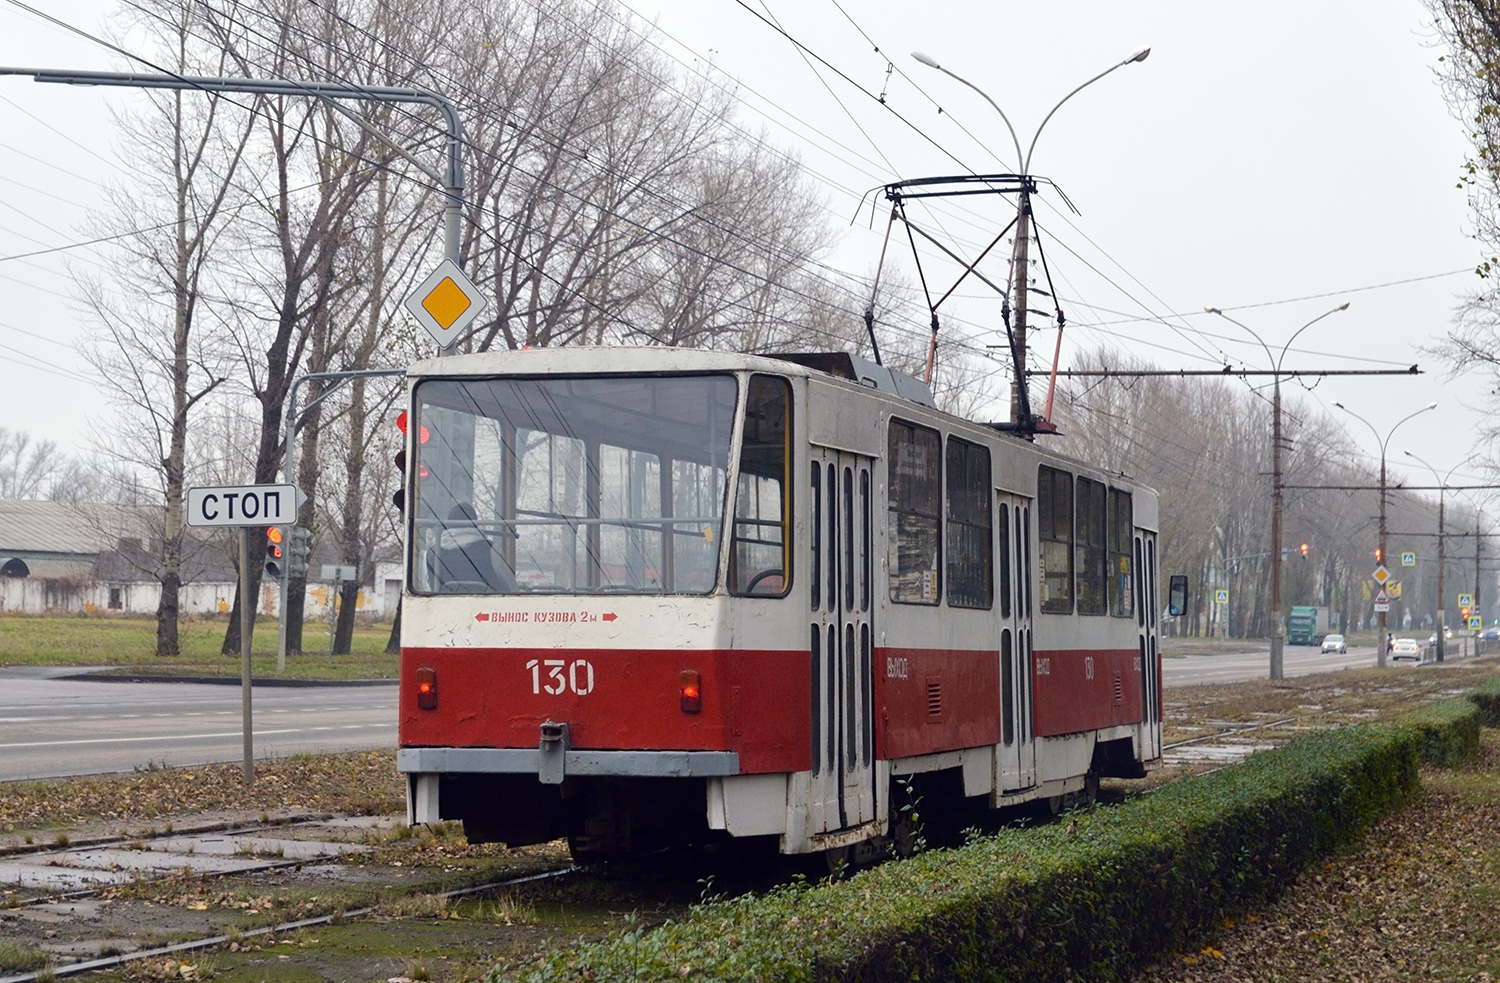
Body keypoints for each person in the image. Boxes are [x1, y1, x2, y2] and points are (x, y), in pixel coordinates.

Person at [433, 503, 517, 592]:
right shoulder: (492, 550)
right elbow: (511, 587)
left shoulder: (431, 553)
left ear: (448, 525)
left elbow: (426, 587)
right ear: (475, 524)